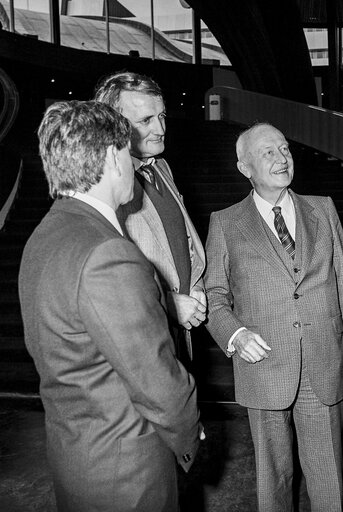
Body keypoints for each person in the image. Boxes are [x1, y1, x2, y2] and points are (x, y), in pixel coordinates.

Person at [18, 100, 202, 512]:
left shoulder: (43, 237)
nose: (134, 163)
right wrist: (189, 430)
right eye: (126, 151)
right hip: (127, 473)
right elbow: (154, 376)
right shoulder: (108, 253)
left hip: (78, 457)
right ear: (110, 158)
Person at [204, 122, 343, 512]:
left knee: (329, 475)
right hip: (265, 365)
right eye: (268, 152)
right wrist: (236, 334)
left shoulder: (322, 208)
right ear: (245, 168)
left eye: (285, 149)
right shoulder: (225, 223)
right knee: (274, 478)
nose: (281, 158)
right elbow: (213, 295)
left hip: (325, 360)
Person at [94, 71, 206, 363]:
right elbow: (110, 278)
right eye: (145, 121)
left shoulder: (161, 168)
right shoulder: (104, 184)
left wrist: (196, 285)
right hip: (142, 337)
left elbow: (183, 242)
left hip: (181, 329)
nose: (160, 128)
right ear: (113, 126)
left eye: (162, 116)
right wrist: (166, 302)